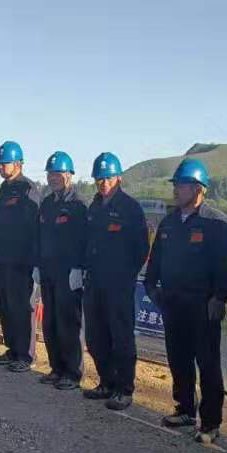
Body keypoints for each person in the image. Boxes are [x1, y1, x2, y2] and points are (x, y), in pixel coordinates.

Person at [144, 159, 227, 449]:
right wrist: (151, 287)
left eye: (180, 185)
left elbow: (226, 265)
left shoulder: (216, 224)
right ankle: (184, 408)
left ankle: (211, 422)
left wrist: (220, 298)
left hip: (202, 305)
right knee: (178, 358)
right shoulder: (169, 222)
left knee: (207, 363)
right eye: (175, 185)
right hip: (173, 302)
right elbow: (156, 258)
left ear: (198, 189)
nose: (175, 190)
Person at [83, 152, 149, 411]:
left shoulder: (130, 208)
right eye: (99, 179)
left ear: (119, 178)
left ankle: (124, 389)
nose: (103, 183)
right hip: (94, 282)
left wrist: (126, 275)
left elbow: (141, 248)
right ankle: (106, 382)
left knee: (121, 336)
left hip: (118, 284)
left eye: (108, 178)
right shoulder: (94, 207)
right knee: (95, 336)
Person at [33, 151, 88, 389]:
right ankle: (56, 368)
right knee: (50, 323)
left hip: (68, 274)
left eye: (58, 173)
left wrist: (78, 268)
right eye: (50, 174)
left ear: (69, 175)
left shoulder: (78, 205)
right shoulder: (47, 204)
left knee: (68, 323)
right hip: (48, 271)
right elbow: (39, 236)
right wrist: (37, 263)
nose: (53, 178)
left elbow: (84, 241)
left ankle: (72, 373)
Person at [0, 141, 41, 373]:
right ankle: (12, 349)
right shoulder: (3, 189)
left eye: (5, 163)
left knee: (22, 308)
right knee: (5, 307)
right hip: (2, 258)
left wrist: (32, 260)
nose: (1, 167)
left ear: (18, 164)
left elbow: (34, 228)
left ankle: (26, 355)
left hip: (21, 260)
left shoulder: (27, 188)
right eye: (0, 163)